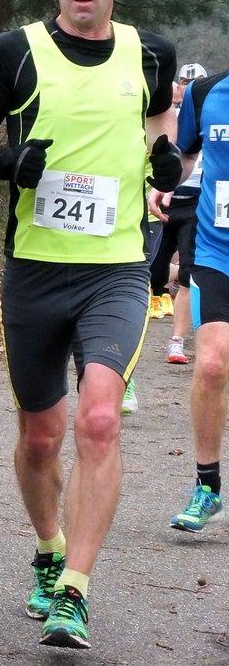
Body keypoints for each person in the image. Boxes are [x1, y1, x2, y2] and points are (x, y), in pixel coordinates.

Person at [0, 0, 178, 649]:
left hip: (116, 270)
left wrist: (161, 157)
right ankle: (49, 549)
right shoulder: (15, 53)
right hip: (34, 270)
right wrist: (7, 163)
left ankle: (76, 592)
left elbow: (157, 116)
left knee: (99, 419)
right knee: (40, 437)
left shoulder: (151, 52)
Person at [167, 67, 227, 533]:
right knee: (211, 364)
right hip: (216, 251)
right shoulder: (206, 93)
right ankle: (207, 486)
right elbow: (185, 155)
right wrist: (165, 183)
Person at [148, 63, 208, 365]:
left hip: (197, 203)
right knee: (153, 270)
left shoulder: (209, 109)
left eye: (194, 81)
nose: (188, 86)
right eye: (184, 80)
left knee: (187, 273)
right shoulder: (165, 113)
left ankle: (177, 341)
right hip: (165, 201)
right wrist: (161, 186)